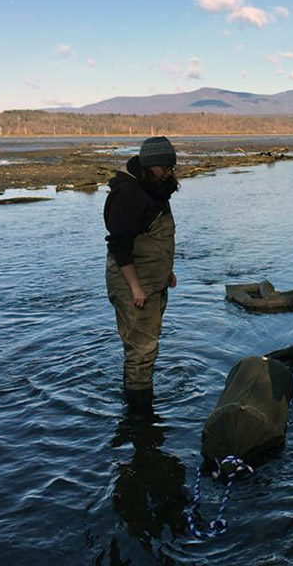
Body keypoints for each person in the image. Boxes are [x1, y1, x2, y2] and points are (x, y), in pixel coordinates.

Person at [104, 137, 179, 404]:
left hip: (152, 278)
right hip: (132, 282)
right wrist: (136, 287)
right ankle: (139, 412)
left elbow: (155, 239)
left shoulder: (155, 188)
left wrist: (165, 271)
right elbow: (120, 245)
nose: (169, 172)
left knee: (146, 345)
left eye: (172, 166)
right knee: (141, 350)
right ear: (149, 165)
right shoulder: (128, 195)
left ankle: (138, 398)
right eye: (164, 167)